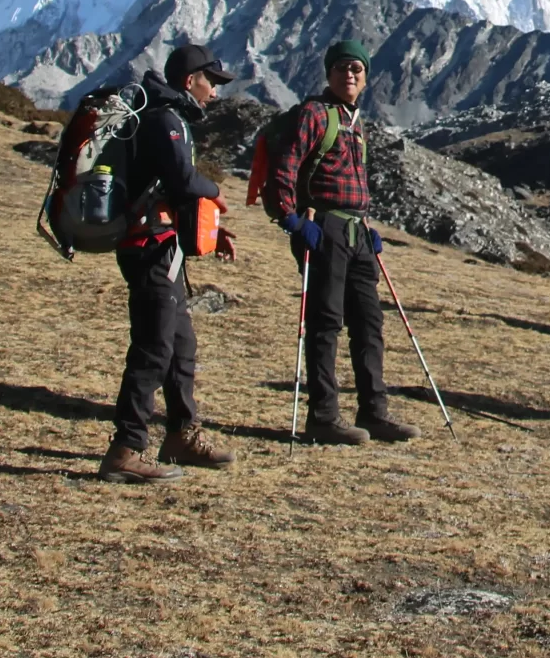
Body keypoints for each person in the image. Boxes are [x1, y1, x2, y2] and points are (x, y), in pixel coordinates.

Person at [263, 40, 416, 445]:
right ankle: (324, 416)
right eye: (342, 68)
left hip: (357, 231)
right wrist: (293, 221)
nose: (349, 75)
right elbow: (286, 164)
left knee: (369, 322)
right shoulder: (315, 114)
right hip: (324, 227)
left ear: (365, 79)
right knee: (325, 322)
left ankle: (374, 411)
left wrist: (368, 225)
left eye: (357, 69)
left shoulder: (356, 122)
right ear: (329, 74)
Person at [100, 41, 239, 484]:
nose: (214, 93)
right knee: (154, 346)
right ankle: (126, 448)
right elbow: (181, 181)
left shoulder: (165, 116)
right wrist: (214, 191)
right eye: (210, 82)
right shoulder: (166, 119)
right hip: (149, 247)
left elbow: (170, 189)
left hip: (164, 245)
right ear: (189, 80)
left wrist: (211, 230)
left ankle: (180, 433)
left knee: (180, 345)